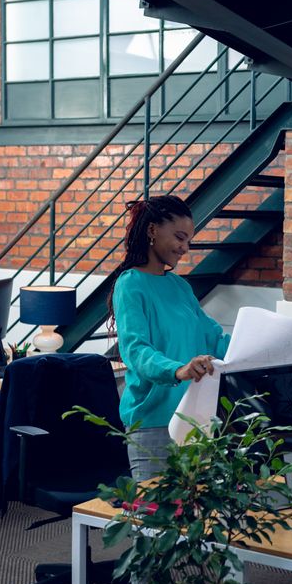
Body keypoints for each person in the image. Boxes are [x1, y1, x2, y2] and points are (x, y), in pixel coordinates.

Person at [107, 194, 230, 479]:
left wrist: (265, 345)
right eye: (179, 237)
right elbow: (136, 351)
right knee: (155, 520)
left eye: (188, 241)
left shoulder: (180, 286)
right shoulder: (130, 284)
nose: (185, 248)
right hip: (153, 423)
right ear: (152, 230)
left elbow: (213, 337)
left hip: (195, 418)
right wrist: (178, 369)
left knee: (197, 517)